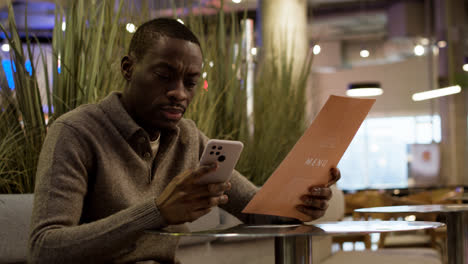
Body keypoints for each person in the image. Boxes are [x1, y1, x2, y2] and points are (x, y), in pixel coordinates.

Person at [28, 18, 340, 263]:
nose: (180, 92)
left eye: (190, 82)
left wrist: (303, 202)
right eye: (164, 76)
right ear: (128, 68)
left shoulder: (188, 139)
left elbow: (256, 210)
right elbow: (44, 248)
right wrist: (158, 211)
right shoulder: (76, 132)